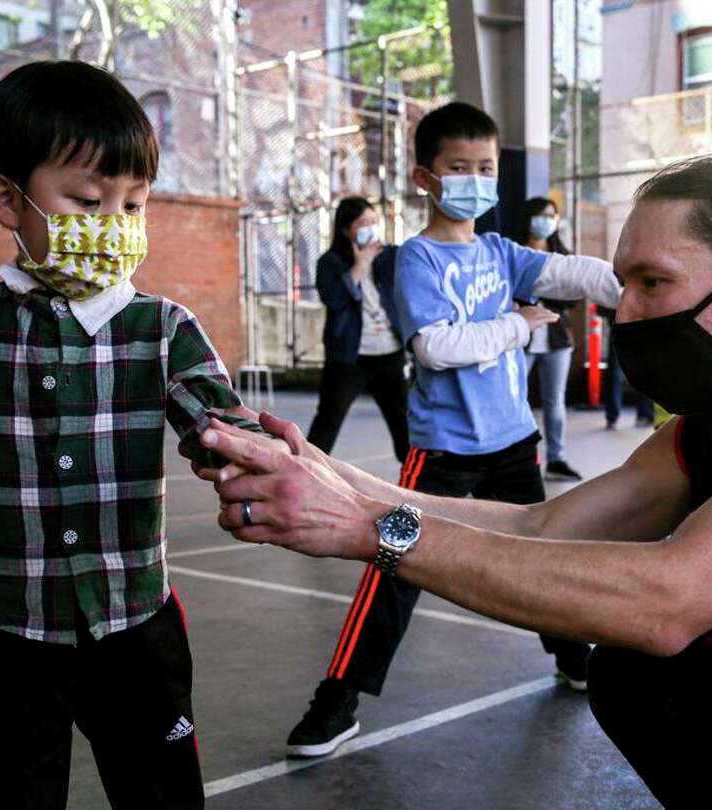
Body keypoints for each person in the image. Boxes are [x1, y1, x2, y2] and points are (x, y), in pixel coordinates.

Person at [193, 155, 712, 808]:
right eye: (622, 282)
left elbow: (669, 597)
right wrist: (325, 475)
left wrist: (370, 531)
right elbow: (538, 530)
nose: (623, 310)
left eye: (654, 283)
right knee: (640, 680)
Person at [0, 61, 273, 809]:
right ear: (8, 199)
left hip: (134, 617)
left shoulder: (162, 328)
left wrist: (235, 453)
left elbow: (216, 415)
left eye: (134, 204)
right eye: (87, 200)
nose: (116, 225)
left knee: (162, 789)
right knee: (6, 791)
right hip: (9, 622)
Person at [280, 101, 621, 759]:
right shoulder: (414, 261)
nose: (475, 178)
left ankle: (573, 656)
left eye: (486, 167)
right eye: (458, 167)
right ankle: (338, 700)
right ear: (425, 177)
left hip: (514, 441)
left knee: (546, 553)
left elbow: (566, 273)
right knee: (393, 562)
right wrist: (521, 325)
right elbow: (437, 346)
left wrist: (629, 284)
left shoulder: (500, 250)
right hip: (441, 451)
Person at [306, 197, 410, 463]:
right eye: (362, 223)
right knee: (327, 422)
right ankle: (306, 471)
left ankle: (418, 485)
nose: (370, 227)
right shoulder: (329, 263)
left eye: (373, 222)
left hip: (390, 354)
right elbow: (335, 299)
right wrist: (360, 265)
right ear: (345, 229)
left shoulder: (390, 256)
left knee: (405, 427)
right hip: (349, 359)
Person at [517, 196, 583, 479]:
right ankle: (520, 459)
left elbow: (574, 295)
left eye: (551, 215)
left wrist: (540, 291)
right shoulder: (515, 251)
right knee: (516, 399)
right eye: (541, 215)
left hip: (556, 338)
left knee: (555, 400)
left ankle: (556, 458)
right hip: (521, 336)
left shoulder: (561, 253)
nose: (546, 221)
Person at [598, 305, 655, 429]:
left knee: (644, 372)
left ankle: (643, 414)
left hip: (637, 325)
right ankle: (614, 417)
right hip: (625, 325)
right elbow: (601, 305)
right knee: (616, 374)